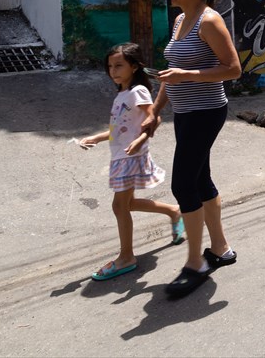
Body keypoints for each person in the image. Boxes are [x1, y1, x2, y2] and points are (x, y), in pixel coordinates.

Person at [144, 0, 242, 298]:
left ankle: (195, 264)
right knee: (199, 181)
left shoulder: (209, 21)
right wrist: (155, 112)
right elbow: (173, 70)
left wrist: (188, 76)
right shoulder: (181, 20)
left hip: (206, 111)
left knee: (183, 184)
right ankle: (220, 249)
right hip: (185, 113)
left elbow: (233, 69)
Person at [78, 43, 185, 282]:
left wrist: (141, 140)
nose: (113, 71)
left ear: (134, 67)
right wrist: (97, 137)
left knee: (120, 206)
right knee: (127, 204)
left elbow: (153, 119)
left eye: (119, 65)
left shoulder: (138, 92)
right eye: (110, 66)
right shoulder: (122, 94)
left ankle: (126, 257)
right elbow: (120, 128)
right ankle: (174, 211)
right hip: (121, 155)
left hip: (131, 155)